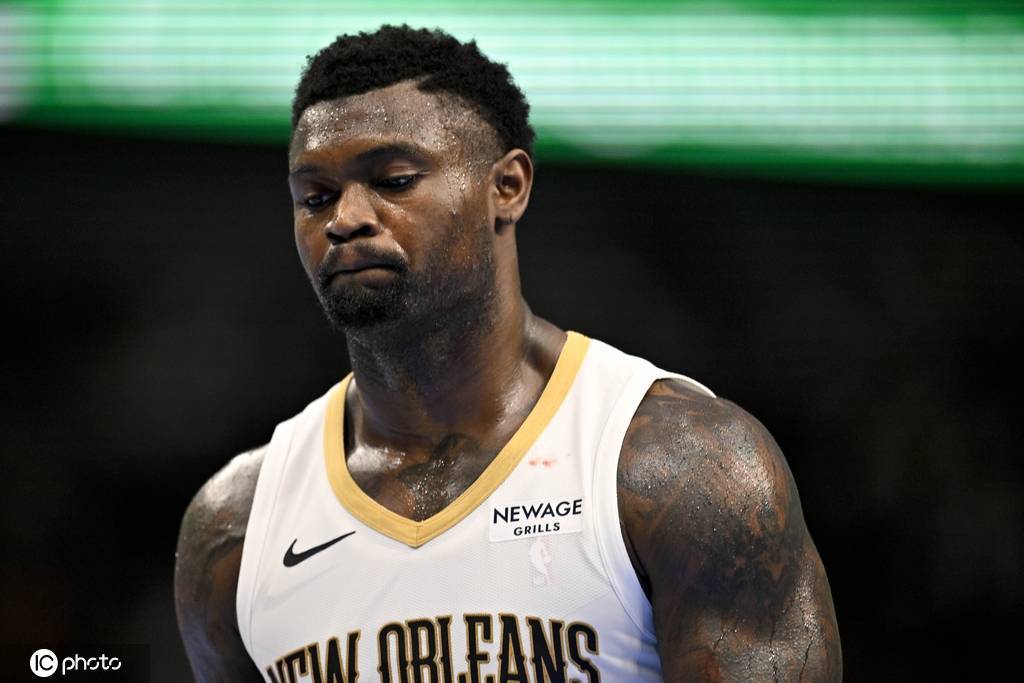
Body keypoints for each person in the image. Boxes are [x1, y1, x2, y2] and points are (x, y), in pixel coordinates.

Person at [174, 25, 841, 682]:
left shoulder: (680, 466)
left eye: (394, 180)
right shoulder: (236, 526)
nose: (345, 219)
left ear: (509, 187)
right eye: (315, 197)